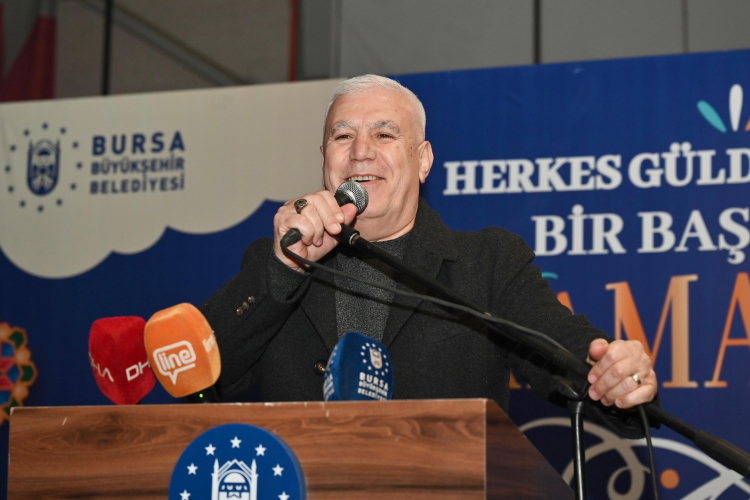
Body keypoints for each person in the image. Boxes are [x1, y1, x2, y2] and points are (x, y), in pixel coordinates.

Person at [199, 75, 657, 435]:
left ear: (423, 160)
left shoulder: (487, 263)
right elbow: (204, 377)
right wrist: (284, 270)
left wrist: (618, 378)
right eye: (343, 137)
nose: (361, 153)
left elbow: (572, 359)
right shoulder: (279, 260)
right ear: (324, 159)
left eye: (384, 134)